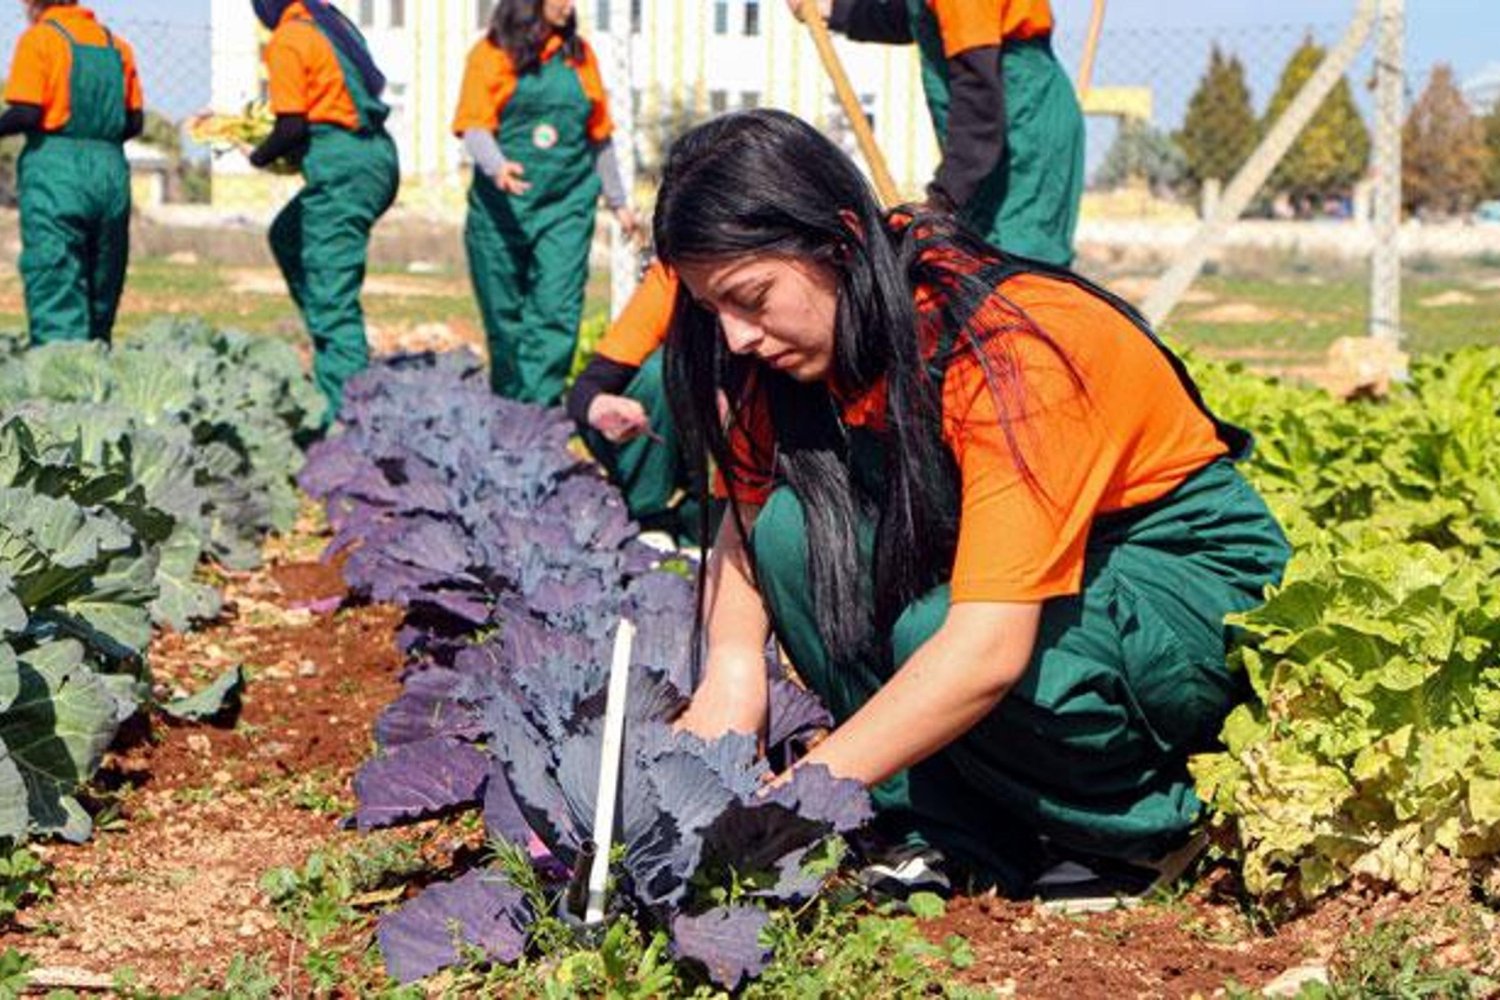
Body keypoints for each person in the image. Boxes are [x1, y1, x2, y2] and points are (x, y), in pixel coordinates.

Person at [658, 110, 1290, 897]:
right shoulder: (785, 359)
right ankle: (944, 831)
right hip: (1028, 578)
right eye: (713, 310)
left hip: (1180, 580)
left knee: (940, 634)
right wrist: (729, 680)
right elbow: (749, 532)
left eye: (751, 297)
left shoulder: (1007, 345)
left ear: (840, 239)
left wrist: (800, 797)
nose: (739, 337)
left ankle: (1140, 825)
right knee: (792, 533)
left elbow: (986, 648)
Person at [791, 0, 1083, 267]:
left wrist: (942, 200)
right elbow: (917, 19)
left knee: (1020, 268)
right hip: (994, 131)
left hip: (1019, 129)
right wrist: (836, 10)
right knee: (985, 262)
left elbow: (979, 91)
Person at [453, 0, 639, 406]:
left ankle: (540, 412)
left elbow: (599, 135)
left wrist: (618, 201)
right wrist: (497, 166)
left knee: (556, 309)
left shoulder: (579, 55)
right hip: (501, 213)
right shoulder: (491, 53)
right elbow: (473, 126)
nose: (571, 6)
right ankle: (507, 409)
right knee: (505, 320)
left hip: (566, 206)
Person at [249, 0, 400, 421]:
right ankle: (329, 335)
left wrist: (257, 156)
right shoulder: (331, 24)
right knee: (287, 235)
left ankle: (348, 420)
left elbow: (292, 126)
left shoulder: (289, 38)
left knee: (333, 296)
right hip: (374, 156)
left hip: (342, 164)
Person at [1, 0, 143, 345]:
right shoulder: (117, 46)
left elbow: (26, 113)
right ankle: (97, 368)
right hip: (110, 169)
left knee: (56, 277)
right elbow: (135, 122)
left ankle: (60, 380)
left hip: (57, 169)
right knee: (102, 280)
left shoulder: (40, 40)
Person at [566, 260, 712, 544]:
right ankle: (647, 518)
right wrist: (602, 409)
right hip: (684, 443)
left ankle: (698, 522)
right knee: (661, 370)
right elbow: (585, 391)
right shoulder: (671, 281)